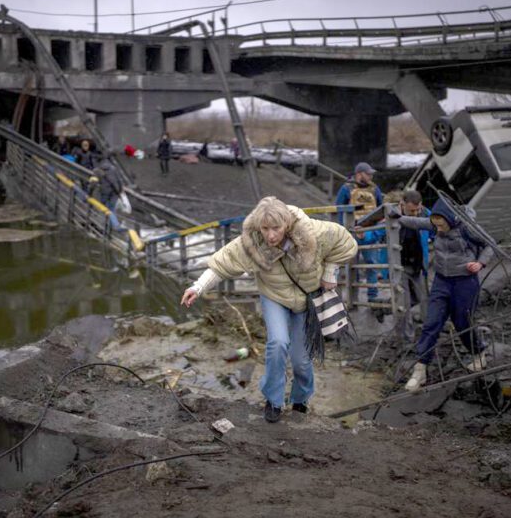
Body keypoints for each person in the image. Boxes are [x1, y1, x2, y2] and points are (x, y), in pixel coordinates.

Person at [180, 197, 357, 423]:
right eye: (265, 229)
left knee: (301, 359)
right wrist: (198, 287)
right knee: (278, 343)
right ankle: (273, 400)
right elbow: (223, 262)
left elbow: (346, 242)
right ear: (258, 227)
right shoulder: (252, 241)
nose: (271, 235)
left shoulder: (314, 231)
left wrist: (330, 273)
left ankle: (301, 399)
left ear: (287, 224)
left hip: (306, 300)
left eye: (276, 228)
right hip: (274, 297)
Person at [395, 198, 493, 391]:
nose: (438, 229)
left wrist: (480, 263)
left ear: (451, 219)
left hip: (465, 281)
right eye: (435, 224)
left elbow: (490, 245)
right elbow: (414, 222)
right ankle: (420, 369)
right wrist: (395, 216)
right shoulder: (434, 223)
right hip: (442, 280)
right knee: (431, 322)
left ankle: (479, 353)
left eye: (442, 225)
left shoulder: (468, 227)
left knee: (462, 322)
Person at [361, 190, 431, 334]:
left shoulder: (425, 213)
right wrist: (363, 235)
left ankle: (382, 308)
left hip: (417, 265)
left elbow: (437, 225)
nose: (415, 214)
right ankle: (406, 340)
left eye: (417, 210)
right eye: (411, 210)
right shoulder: (392, 216)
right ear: (402, 204)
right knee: (403, 305)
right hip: (399, 266)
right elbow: (376, 233)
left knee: (421, 299)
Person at [335, 162, 384, 305]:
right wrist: (342, 231)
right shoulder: (346, 188)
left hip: (370, 232)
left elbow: (380, 208)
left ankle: (373, 296)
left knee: (372, 264)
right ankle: (352, 298)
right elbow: (339, 210)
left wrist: (378, 230)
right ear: (359, 174)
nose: (371, 176)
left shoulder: (375, 189)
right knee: (351, 266)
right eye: (368, 173)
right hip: (352, 232)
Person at [92, 158, 126, 232]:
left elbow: (93, 183)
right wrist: (120, 190)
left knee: (106, 209)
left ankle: (114, 226)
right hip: (115, 192)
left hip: (104, 192)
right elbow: (119, 179)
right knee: (112, 209)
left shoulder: (96, 170)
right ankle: (111, 226)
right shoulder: (113, 168)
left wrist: (89, 192)